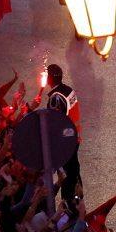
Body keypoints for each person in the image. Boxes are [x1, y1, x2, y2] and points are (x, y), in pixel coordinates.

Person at [38, 62, 85, 204]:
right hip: (74, 136)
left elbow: (56, 122)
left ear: (50, 79)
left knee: (67, 173)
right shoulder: (68, 90)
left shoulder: (56, 97)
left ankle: (69, 202)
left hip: (66, 141)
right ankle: (78, 197)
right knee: (74, 169)